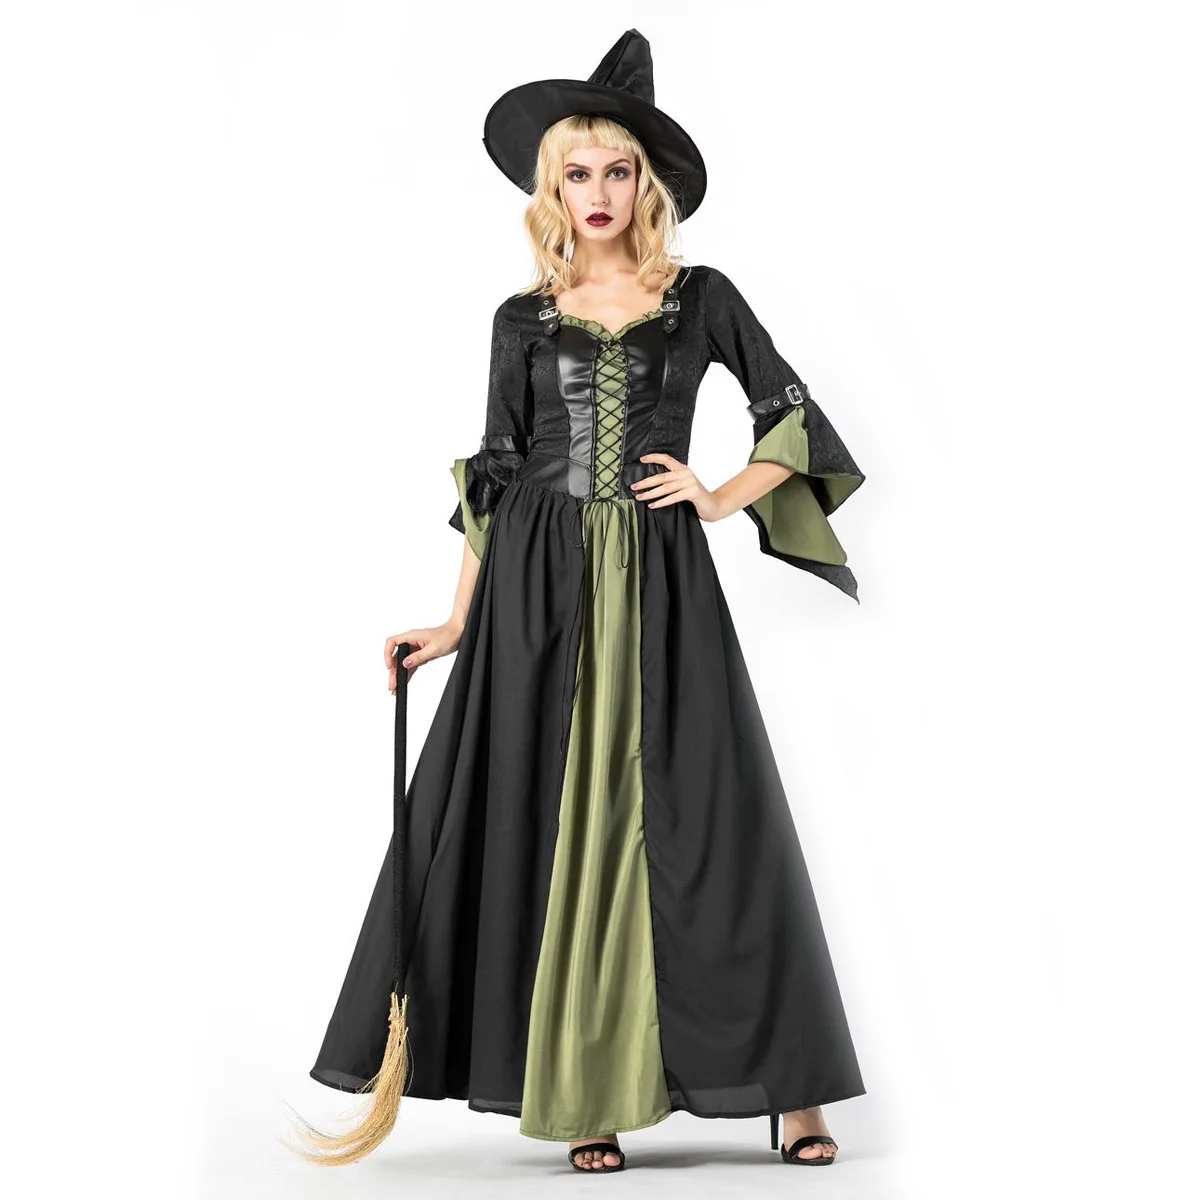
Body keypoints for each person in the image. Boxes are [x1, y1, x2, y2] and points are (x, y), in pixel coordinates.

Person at [292, 28, 867, 1174]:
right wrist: (456, 621)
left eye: (616, 171)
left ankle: (795, 1093)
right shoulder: (525, 318)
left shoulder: (699, 298)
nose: (596, 193)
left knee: (716, 818)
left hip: (659, 576)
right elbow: (498, 472)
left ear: (645, 184)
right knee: (551, 820)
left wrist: (716, 497)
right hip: (536, 584)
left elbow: (793, 416)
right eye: (575, 173)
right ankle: (582, 1087)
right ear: (550, 190)